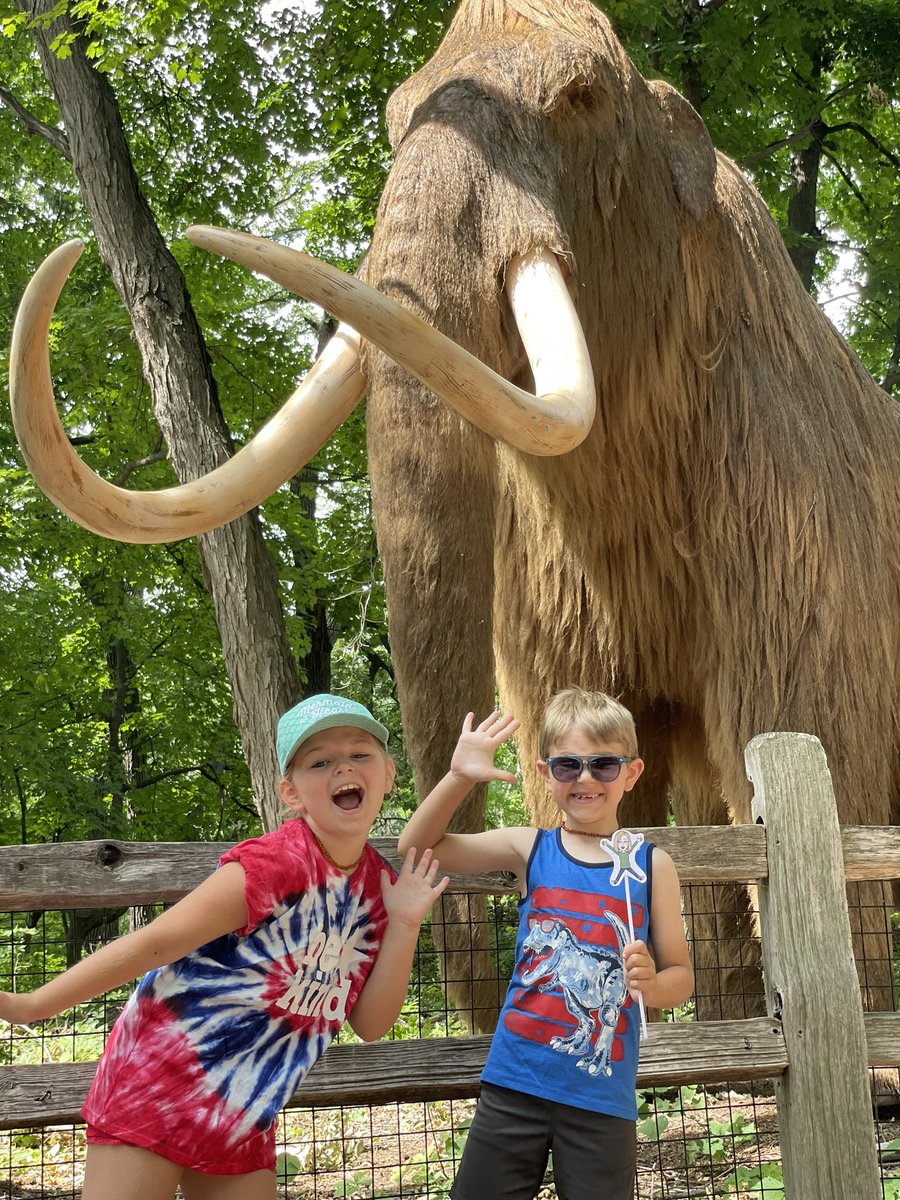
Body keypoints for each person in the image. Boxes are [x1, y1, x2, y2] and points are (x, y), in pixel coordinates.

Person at [0, 693, 449, 1200]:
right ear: (292, 793)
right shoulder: (273, 865)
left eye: (359, 753)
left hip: (245, 1108)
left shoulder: (379, 890)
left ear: (388, 775)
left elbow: (370, 1024)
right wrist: (30, 1006)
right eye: (320, 761)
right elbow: (155, 944)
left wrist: (406, 922)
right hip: (160, 1079)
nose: (343, 766)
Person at [398, 686, 693, 1200]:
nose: (585, 778)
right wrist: (459, 776)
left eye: (604, 765)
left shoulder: (652, 866)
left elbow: (680, 978)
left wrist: (650, 983)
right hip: (514, 1082)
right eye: (568, 765)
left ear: (631, 773)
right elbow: (415, 846)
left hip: (602, 1096)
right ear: (545, 773)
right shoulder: (530, 847)